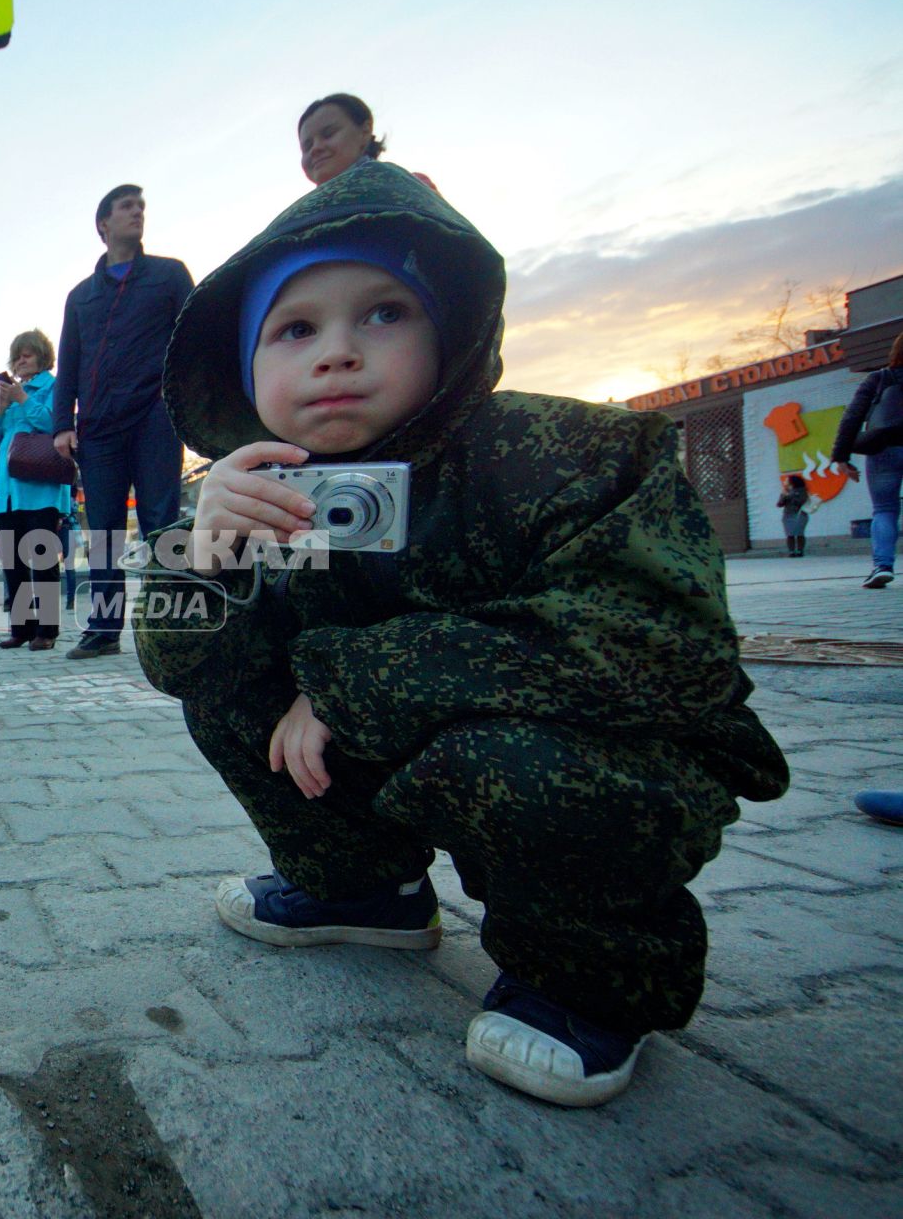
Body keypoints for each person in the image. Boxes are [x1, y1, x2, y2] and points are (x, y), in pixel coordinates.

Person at [132, 160, 788, 1108]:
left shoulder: (565, 455)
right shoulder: (259, 491)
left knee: (504, 758)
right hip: (396, 742)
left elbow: (653, 648)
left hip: (590, 760)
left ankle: (590, 983)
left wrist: (346, 681)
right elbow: (174, 666)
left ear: (453, 332)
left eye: (385, 314)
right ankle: (359, 889)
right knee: (231, 684)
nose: (337, 353)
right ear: (245, 370)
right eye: (295, 329)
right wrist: (201, 553)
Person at [52, 184, 195, 659]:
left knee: (161, 522)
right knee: (105, 531)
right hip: (99, 428)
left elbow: (194, 340)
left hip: (157, 417)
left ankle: (170, 622)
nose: (138, 213)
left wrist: (188, 404)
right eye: (127, 207)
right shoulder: (80, 297)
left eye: (141, 207)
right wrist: (61, 425)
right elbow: (68, 364)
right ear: (104, 225)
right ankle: (104, 629)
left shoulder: (170, 276)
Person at [0, 328, 74, 649]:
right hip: (7, 497)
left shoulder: (53, 387)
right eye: (17, 356)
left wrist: (23, 399)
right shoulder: (11, 394)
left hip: (41, 493)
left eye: (27, 355)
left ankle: (47, 632)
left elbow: (55, 424)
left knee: (43, 563)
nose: (20, 361)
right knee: (13, 565)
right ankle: (21, 628)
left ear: (41, 357)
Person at [828, 332, 903, 589]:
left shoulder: (879, 378)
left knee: (884, 509)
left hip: (884, 449)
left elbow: (852, 418)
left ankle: (882, 567)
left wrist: (841, 457)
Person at [298, 92, 437, 192]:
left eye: (328, 134)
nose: (316, 148)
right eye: (307, 146)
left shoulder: (413, 187)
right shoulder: (298, 217)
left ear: (365, 131)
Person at [775, 474, 814, 558]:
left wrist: (790, 496)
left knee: (800, 533)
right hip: (788, 514)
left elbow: (801, 501)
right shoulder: (786, 491)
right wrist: (784, 495)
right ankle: (791, 551)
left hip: (800, 514)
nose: (785, 482)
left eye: (787, 480)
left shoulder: (802, 490)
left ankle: (800, 550)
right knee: (790, 534)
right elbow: (779, 504)